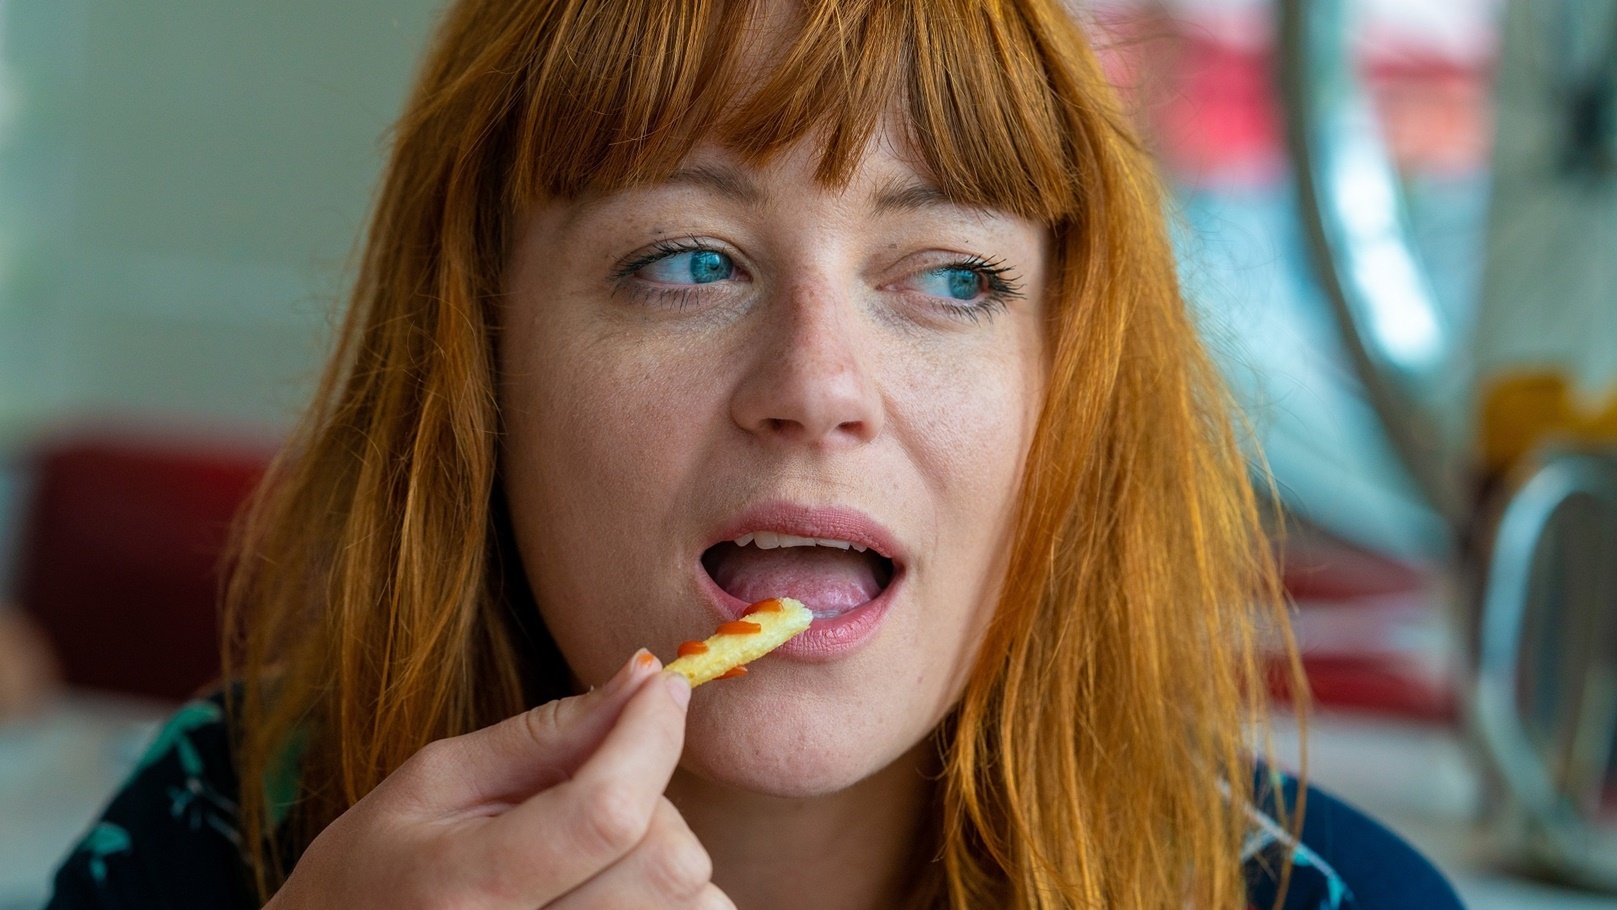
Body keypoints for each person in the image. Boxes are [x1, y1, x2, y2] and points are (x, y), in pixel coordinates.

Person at [46, 1, 1463, 907]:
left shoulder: (1332, 897)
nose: (816, 385)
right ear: (483, 357)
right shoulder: (211, 831)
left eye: (954, 277)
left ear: (1064, 394)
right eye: (686, 259)